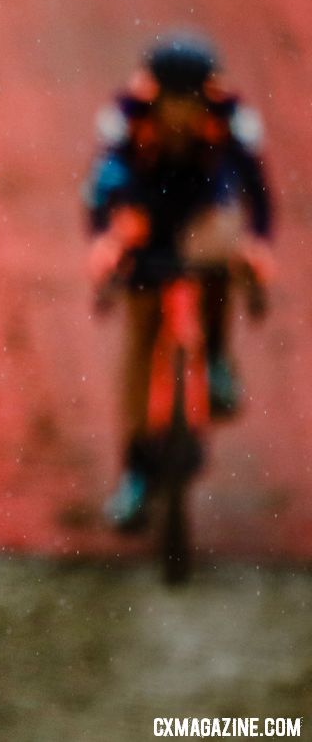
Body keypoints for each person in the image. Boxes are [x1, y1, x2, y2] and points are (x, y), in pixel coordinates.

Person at [84, 33, 274, 529]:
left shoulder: (233, 117)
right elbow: (102, 191)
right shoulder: (125, 117)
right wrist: (109, 246)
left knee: (223, 260)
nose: (183, 111)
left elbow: (256, 191)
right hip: (148, 208)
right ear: (156, 93)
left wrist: (257, 246)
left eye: (192, 99)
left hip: (201, 211)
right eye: (175, 98)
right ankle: (136, 468)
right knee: (141, 333)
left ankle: (214, 357)